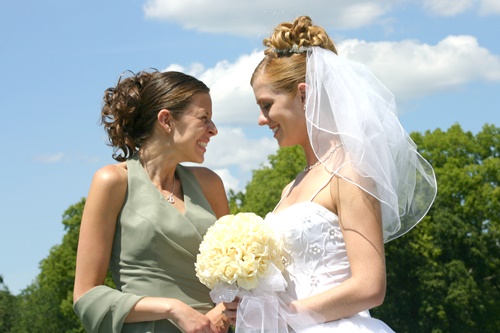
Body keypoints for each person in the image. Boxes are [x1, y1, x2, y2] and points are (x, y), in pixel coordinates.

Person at [245, 16, 437, 331]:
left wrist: (285, 316)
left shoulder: (350, 172)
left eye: (267, 105)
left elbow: (369, 286)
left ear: (304, 95)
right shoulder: (289, 189)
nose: (261, 119)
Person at [73, 69, 237, 333]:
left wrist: (221, 312)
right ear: (166, 120)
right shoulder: (112, 182)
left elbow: (236, 275)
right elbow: (86, 295)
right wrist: (173, 308)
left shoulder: (210, 184)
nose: (213, 130)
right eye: (204, 119)